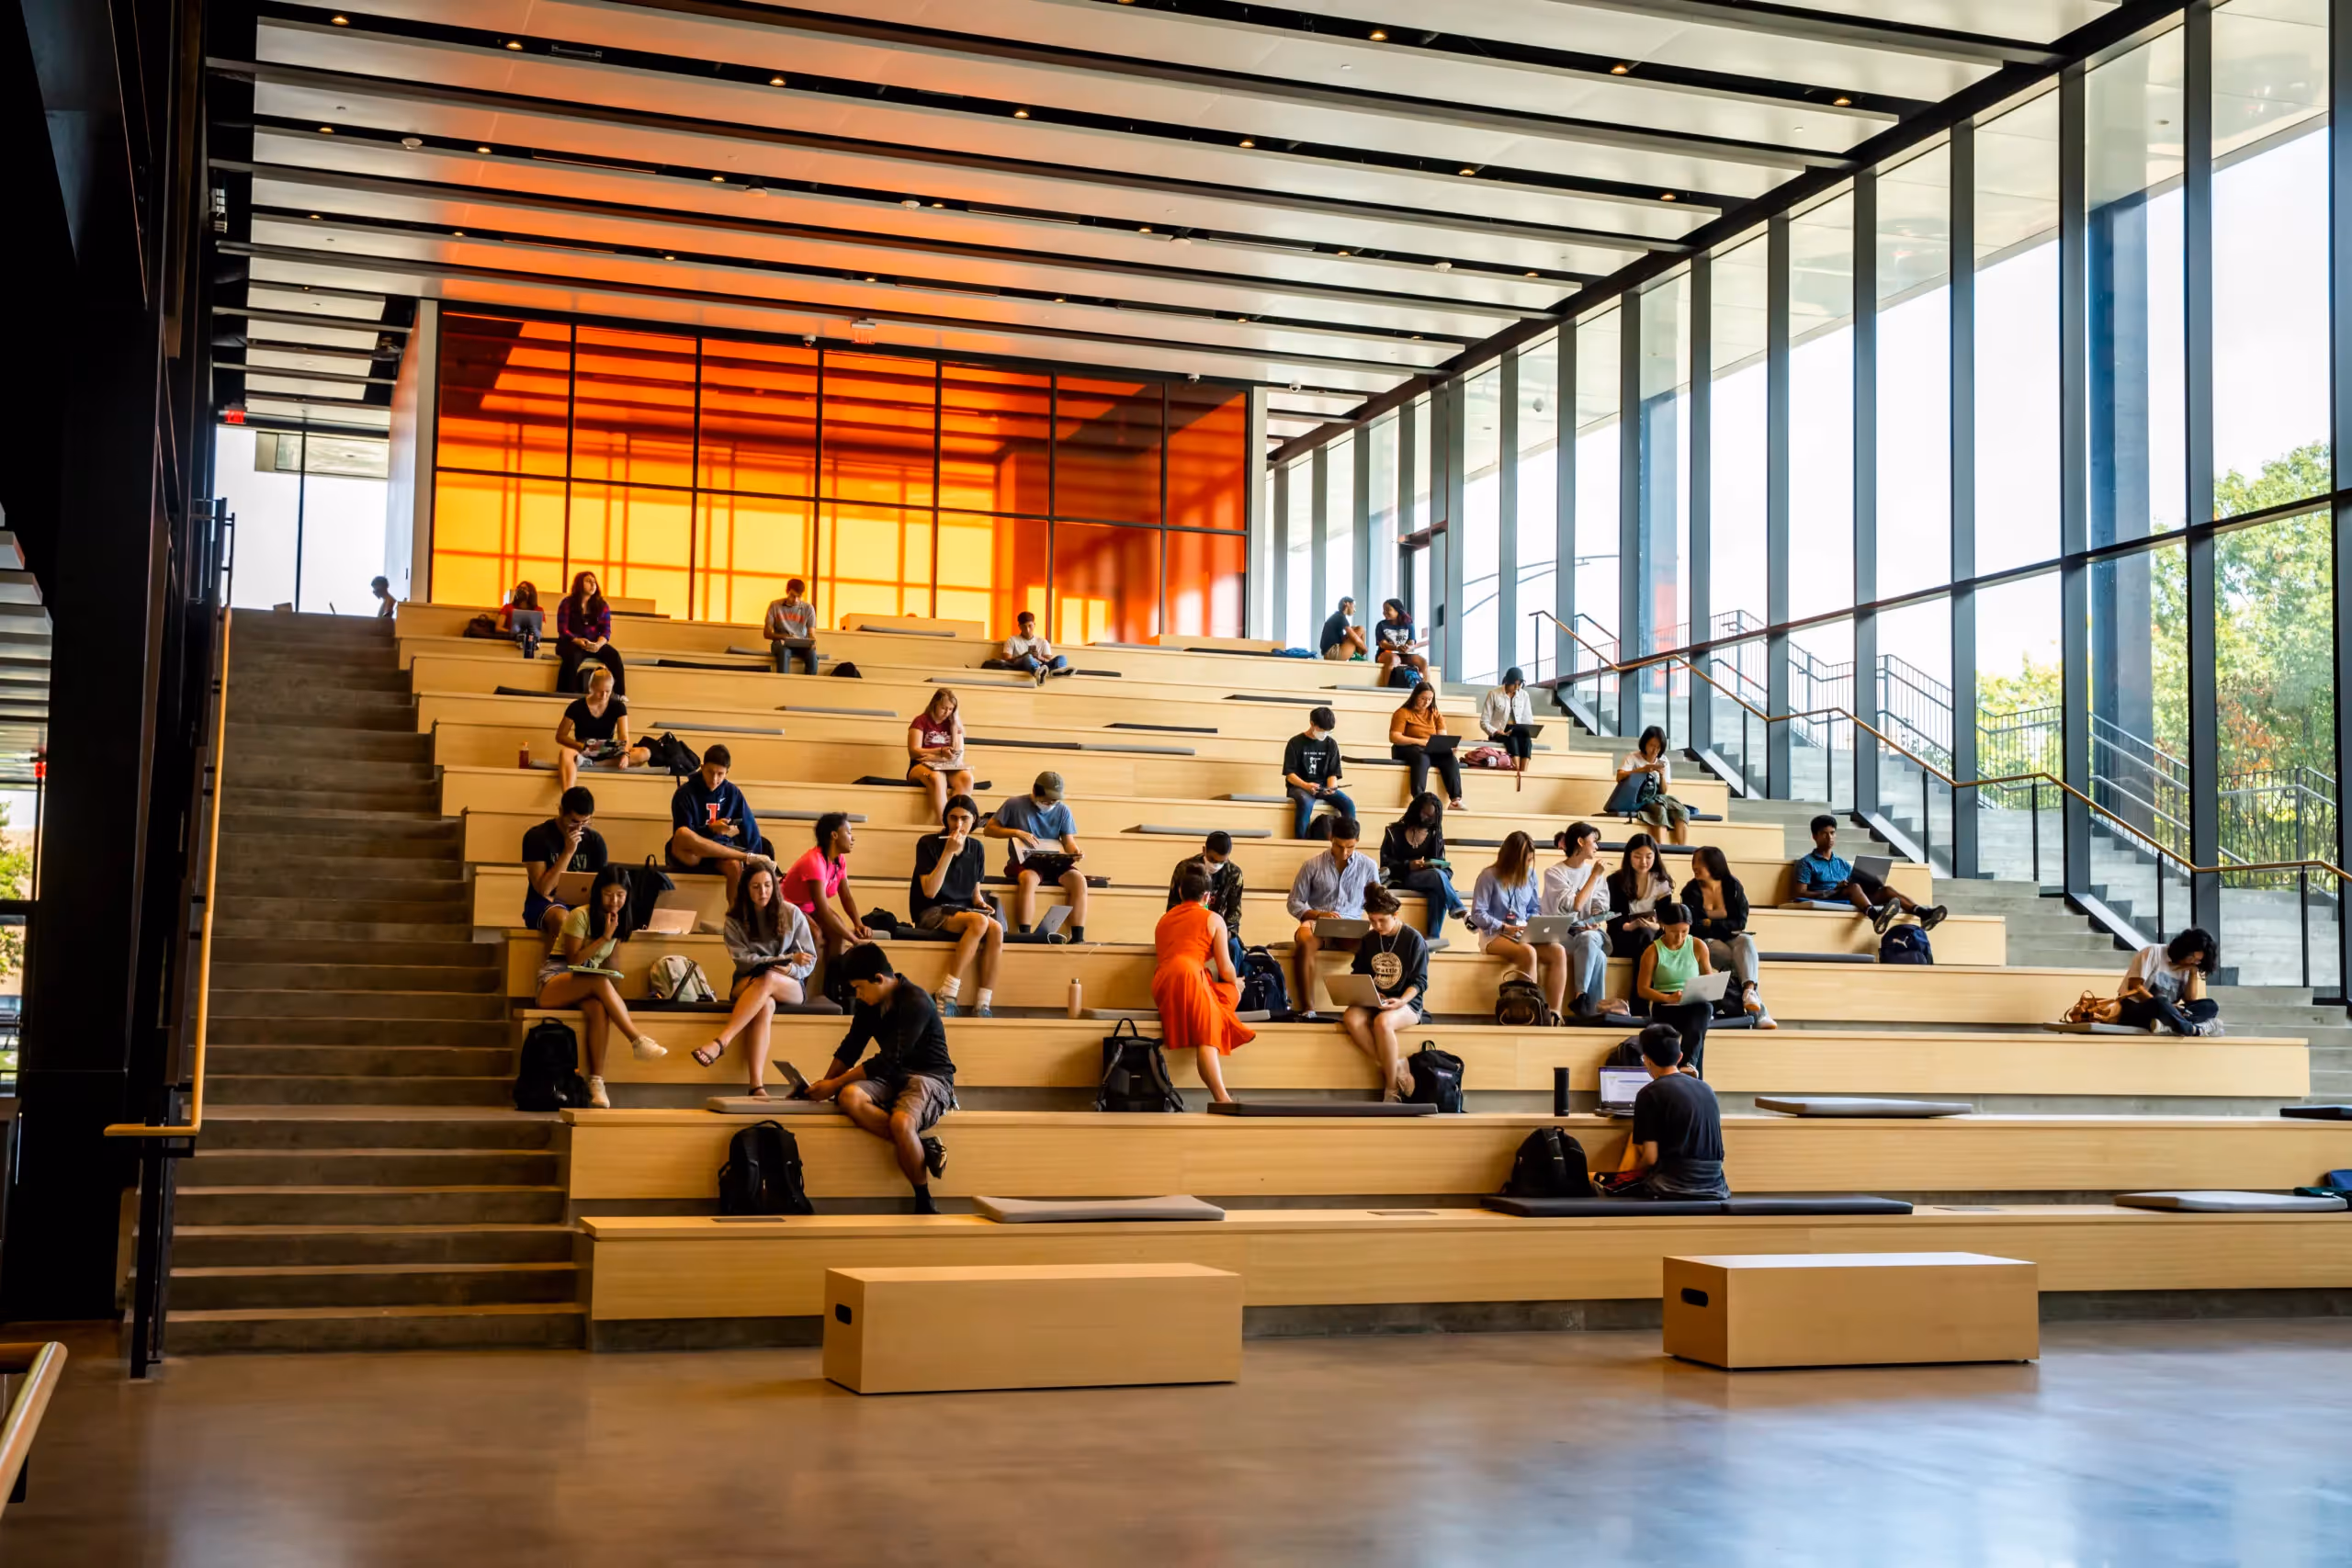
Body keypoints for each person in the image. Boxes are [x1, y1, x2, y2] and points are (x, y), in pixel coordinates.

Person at [797, 944, 955, 1213]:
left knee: (902, 1123)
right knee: (848, 1097)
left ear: (879, 979)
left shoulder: (915, 1001)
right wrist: (822, 1087)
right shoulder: (869, 1003)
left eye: (859, 988)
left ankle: (924, 1199)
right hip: (893, 1075)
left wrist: (834, 1084)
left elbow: (889, 1058)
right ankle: (922, 1148)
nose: (858, 995)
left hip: (930, 1076)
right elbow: (852, 1047)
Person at [531, 863, 667, 1109]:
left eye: (620, 895)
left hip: (588, 981)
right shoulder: (580, 915)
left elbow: (610, 963)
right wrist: (604, 937)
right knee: (598, 979)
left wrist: (613, 999)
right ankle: (637, 1040)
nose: (614, 901)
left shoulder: (621, 920)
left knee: (599, 1009)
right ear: (598, 893)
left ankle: (597, 1083)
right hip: (554, 980)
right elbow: (573, 960)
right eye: (608, 894)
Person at [691, 860, 819, 1094]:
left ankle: (721, 1043)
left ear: (775, 886)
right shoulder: (734, 919)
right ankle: (756, 1086)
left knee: (770, 979)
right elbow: (744, 961)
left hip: (789, 983)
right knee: (766, 1002)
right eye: (756, 887)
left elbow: (809, 960)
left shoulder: (792, 913)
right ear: (746, 889)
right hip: (747, 981)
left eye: (768, 885)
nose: (763, 892)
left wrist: (788, 969)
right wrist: (782, 960)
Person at [1152, 868, 1254, 1105]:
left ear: (1180, 891)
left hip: (1162, 979)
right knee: (1208, 1035)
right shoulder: (1213, 919)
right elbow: (1226, 967)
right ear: (1208, 897)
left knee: (1223, 995)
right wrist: (1237, 982)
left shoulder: (1164, 918)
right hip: (1189, 976)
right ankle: (1222, 1099)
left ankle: (1222, 1097)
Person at [1610, 1021, 1728, 1201]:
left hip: (1673, 1186)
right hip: (1715, 1185)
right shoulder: (1706, 1088)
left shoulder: (1649, 1093)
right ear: (1680, 1057)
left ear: (1646, 1059)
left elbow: (1650, 1158)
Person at [910, 794, 1002, 1018]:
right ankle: (947, 993)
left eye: (965, 819)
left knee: (996, 928)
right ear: (945, 818)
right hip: (932, 910)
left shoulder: (977, 848)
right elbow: (930, 891)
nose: (958, 824)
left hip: (964, 911)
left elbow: (975, 892)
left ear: (975, 821)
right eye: (953, 818)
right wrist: (949, 852)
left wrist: (981, 903)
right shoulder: (928, 843)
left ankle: (983, 1002)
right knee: (979, 922)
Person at [1339, 885, 1430, 1101]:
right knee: (1350, 1017)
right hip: (1376, 999)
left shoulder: (1413, 939)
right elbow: (1360, 972)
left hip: (1407, 1003)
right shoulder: (1370, 939)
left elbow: (1420, 982)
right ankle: (1396, 1065)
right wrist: (1372, 993)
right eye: (1372, 920)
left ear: (1396, 915)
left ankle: (1391, 1089)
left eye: (1382, 920)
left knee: (1383, 1022)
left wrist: (1400, 1001)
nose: (1377, 926)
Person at [1284, 816, 1380, 1021]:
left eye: (1350, 847)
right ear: (1331, 838)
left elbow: (1376, 902)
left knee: (1375, 945)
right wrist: (1319, 914)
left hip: (1351, 925)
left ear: (1357, 841)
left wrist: (1376, 923)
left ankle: (1370, 1004)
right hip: (1317, 921)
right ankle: (1308, 1008)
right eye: (1339, 846)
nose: (1344, 853)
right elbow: (1294, 902)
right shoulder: (1312, 865)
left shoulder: (1369, 866)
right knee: (1304, 940)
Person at [1470, 830, 1567, 1021]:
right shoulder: (1488, 876)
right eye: (1524, 860)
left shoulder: (1530, 875)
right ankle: (1527, 1013)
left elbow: (1533, 908)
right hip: (1495, 934)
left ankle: (1554, 1013)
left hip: (1522, 931)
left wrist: (1535, 924)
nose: (1527, 865)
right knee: (1528, 953)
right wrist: (1504, 927)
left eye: (1530, 860)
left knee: (1558, 952)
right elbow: (1477, 914)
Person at [1793, 815, 1947, 933]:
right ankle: (1875, 916)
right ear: (1815, 836)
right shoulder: (1806, 862)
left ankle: (1923, 913)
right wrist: (1831, 890)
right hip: (1829, 896)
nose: (1830, 837)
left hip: (1850, 895)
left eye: (1833, 833)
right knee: (1854, 887)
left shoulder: (1841, 863)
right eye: (1824, 834)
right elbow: (1800, 892)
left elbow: (1854, 883)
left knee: (1886, 890)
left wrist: (1871, 882)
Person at [985, 770, 1088, 942]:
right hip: (1025, 861)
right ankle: (1025, 933)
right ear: (1035, 791)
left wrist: (1075, 852)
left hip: (1054, 861)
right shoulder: (1014, 804)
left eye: (1054, 801)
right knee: (1029, 879)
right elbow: (989, 829)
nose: (1049, 804)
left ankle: (1077, 936)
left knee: (1079, 881)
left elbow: (1068, 841)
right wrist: (1017, 832)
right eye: (1046, 800)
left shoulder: (1063, 811)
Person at [1684, 844, 1774, 1029]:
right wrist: (1720, 923)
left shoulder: (1733, 886)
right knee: (1740, 963)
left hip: (1731, 939)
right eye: (1693, 862)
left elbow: (1740, 922)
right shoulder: (1690, 891)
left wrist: (1711, 922)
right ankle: (1760, 1013)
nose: (1694, 866)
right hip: (1705, 942)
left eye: (1699, 862)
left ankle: (1749, 991)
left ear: (1714, 863)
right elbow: (1696, 926)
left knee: (1746, 940)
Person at [666, 744, 771, 901]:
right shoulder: (685, 793)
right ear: (702, 768)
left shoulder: (732, 792)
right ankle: (746, 856)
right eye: (710, 772)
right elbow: (684, 838)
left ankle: (736, 919)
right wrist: (710, 830)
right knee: (683, 833)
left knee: (735, 866)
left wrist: (756, 859)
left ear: (727, 773)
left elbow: (749, 826)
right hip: (691, 854)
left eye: (720, 774)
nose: (715, 779)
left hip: (720, 850)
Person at [782, 812, 874, 968]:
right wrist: (854, 940)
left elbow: (846, 895)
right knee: (815, 935)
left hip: (809, 908)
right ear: (834, 835)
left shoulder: (839, 859)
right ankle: (803, 988)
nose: (853, 838)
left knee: (838, 933)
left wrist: (858, 924)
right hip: (788, 906)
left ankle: (832, 987)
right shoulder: (814, 862)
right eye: (849, 832)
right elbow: (823, 910)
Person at [1542, 822, 1612, 1018]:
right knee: (1598, 957)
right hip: (1562, 935)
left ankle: (1581, 995)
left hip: (1589, 933)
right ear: (1581, 842)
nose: (1597, 847)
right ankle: (1593, 1013)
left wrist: (1596, 918)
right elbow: (1573, 905)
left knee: (1589, 937)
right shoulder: (1554, 873)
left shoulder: (1595, 873)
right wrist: (1594, 875)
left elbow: (1600, 904)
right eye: (1594, 841)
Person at [1634, 902, 1713, 1076]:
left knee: (1704, 1009)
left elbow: (1709, 979)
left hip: (1692, 1000)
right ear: (1663, 926)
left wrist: (1702, 990)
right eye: (1673, 932)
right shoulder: (1652, 951)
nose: (1679, 937)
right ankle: (1688, 1067)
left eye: (1684, 932)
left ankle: (1687, 1064)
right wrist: (1667, 998)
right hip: (1665, 1003)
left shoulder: (1698, 946)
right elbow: (1642, 989)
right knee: (1696, 1028)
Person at [522, 786, 609, 937]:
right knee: (563, 919)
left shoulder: (595, 841)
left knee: (611, 919)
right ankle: (556, 961)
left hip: (582, 902)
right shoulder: (537, 836)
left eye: (586, 822)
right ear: (561, 811)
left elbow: (600, 884)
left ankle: (591, 960)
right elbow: (544, 889)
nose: (580, 828)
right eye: (574, 821)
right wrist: (568, 852)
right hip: (544, 903)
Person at [1378, 793, 1464, 942]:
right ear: (1415, 809)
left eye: (1431, 816)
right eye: (1424, 813)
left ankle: (1433, 939)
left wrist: (1431, 865)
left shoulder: (1434, 833)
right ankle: (1458, 909)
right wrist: (1409, 865)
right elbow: (1385, 866)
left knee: (1437, 887)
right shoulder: (1394, 832)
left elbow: (1441, 867)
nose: (1426, 819)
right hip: (1403, 878)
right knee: (1437, 878)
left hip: (1428, 878)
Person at [554, 665, 649, 790]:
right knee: (565, 753)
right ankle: (568, 796)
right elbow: (560, 736)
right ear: (591, 688)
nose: (604, 696)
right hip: (583, 748)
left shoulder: (618, 706)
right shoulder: (576, 706)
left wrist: (625, 755)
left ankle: (594, 764)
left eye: (608, 692)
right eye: (600, 691)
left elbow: (623, 736)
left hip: (606, 749)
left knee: (644, 753)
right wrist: (581, 746)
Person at [2116, 927, 2222, 1035]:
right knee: (2160, 1001)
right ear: (2183, 949)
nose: (2193, 962)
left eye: (2198, 961)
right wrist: (2167, 1007)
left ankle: (2168, 1026)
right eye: (2192, 957)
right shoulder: (2153, 952)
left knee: (2210, 1005)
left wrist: (2192, 973)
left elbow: (2190, 999)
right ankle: (2193, 1029)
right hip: (2136, 1009)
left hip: (2166, 1013)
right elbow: (2135, 987)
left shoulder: (2188, 966)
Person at [1169, 830, 1246, 976]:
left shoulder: (1234, 874)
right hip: (1188, 928)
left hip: (1219, 930)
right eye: (1212, 859)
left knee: (1234, 948)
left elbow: (1234, 913)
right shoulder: (1185, 869)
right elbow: (1172, 907)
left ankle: (1229, 992)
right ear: (1204, 850)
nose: (1216, 865)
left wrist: (1222, 935)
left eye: (1221, 861)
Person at [1281, 705, 1353, 839]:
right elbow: (1290, 775)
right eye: (1321, 730)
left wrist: (1331, 787)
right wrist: (1307, 786)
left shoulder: (1331, 744)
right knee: (1305, 803)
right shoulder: (1295, 742)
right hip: (1300, 787)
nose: (1324, 734)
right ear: (1312, 724)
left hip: (1323, 786)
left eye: (1328, 731)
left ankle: (1349, 839)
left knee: (1348, 804)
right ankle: (1301, 841)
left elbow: (1333, 772)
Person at [1389, 681, 1464, 809]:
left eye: (1430, 699)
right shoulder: (1402, 712)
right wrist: (1420, 742)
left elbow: (1442, 736)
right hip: (1407, 748)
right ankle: (1419, 799)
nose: (1426, 702)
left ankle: (1455, 800)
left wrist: (1448, 748)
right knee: (1422, 757)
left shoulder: (1434, 713)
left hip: (1429, 748)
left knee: (1450, 759)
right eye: (1423, 699)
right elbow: (1394, 737)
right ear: (1415, 696)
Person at [1606, 833, 1678, 958]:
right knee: (1643, 934)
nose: (1644, 862)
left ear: (1655, 856)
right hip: (1623, 934)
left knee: (1648, 935)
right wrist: (1630, 925)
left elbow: (1665, 919)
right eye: (1637, 857)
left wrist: (1654, 926)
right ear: (1629, 857)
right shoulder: (1615, 880)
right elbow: (1612, 916)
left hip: (1653, 932)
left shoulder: (1661, 881)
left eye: (1649, 857)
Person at [556, 570, 625, 695]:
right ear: (579, 584)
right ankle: (566, 694)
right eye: (588, 581)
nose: (593, 585)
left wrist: (598, 644)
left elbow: (606, 631)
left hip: (594, 644)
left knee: (614, 656)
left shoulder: (602, 605)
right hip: (572, 643)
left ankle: (620, 694)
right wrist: (577, 640)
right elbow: (562, 629)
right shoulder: (567, 603)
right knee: (572, 657)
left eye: (594, 582)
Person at [906, 688, 973, 818]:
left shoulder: (953, 723)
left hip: (946, 765)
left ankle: (957, 819)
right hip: (921, 765)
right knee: (937, 777)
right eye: (943, 708)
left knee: (967, 778)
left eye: (950, 709)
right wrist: (940, 751)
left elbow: (957, 755)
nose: (947, 713)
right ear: (934, 704)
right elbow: (914, 751)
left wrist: (938, 758)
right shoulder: (921, 721)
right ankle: (943, 822)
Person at [1617, 726, 1690, 845]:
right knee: (1660, 809)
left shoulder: (1664, 761)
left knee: (1680, 809)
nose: (1655, 750)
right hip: (1639, 797)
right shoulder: (1633, 757)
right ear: (1644, 743)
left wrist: (1661, 776)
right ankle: (1661, 846)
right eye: (1652, 745)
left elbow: (1664, 791)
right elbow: (1619, 776)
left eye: (1658, 747)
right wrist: (1642, 770)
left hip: (1658, 796)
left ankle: (1683, 849)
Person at [1480, 667, 1535, 767]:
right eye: (1515, 684)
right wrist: (1496, 731)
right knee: (1512, 739)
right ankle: (1516, 773)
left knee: (1527, 741)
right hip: (1500, 732)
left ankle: (1523, 775)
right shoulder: (1493, 694)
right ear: (1508, 682)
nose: (1517, 687)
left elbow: (1528, 719)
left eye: (1519, 685)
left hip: (1518, 730)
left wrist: (1528, 730)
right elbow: (1484, 722)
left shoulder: (1524, 695)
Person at [994, 610, 1069, 682]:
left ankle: (1058, 671)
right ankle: (1037, 671)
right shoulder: (1012, 640)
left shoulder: (1043, 641)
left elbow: (1048, 660)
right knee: (1028, 657)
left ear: (1034, 625)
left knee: (1062, 657)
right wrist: (1024, 655)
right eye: (1024, 626)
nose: (1027, 629)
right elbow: (1007, 659)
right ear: (1019, 627)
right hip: (1023, 665)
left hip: (1042, 666)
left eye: (1030, 626)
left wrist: (1038, 657)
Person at [763, 578, 818, 675]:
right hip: (781, 643)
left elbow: (811, 634)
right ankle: (783, 684)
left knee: (812, 654)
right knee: (784, 652)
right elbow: (766, 634)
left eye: (799, 596)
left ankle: (810, 685)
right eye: (792, 596)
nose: (796, 600)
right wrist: (785, 637)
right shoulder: (775, 606)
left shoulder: (808, 608)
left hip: (801, 644)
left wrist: (812, 642)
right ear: (787, 591)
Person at [1373, 599, 1428, 684]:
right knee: (1394, 659)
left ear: (1397, 610)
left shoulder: (1409, 625)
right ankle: (1386, 687)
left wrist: (1407, 648)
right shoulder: (1381, 625)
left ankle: (1425, 688)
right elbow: (1383, 644)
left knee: (1423, 662)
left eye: (1388, 609)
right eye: (1384, 610)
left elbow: (1411, 643)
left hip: (1405, 654)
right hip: (1385, 654)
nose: (1384, 612)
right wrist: (1397, 647)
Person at [500, 581, 542, 657]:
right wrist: (512, 631)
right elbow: (498, 627)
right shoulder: (508, 607)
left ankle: (532, 644)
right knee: (519, 632)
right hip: (512, 638)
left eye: (525, 589)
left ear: (531, 593)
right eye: (520, 588)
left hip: (531, 636)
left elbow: (541, 628)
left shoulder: (538, 610)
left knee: (533, 632)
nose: (521, 591)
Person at [1319, 596, 1367, 661]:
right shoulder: (1340, 617)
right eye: (1354, 606)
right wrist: (1365, 649)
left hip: (1330, 653)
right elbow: (1354, 638)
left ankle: (1356, 656)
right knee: (1360, 629)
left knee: (1353, 628)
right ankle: (1357, 657)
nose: (1355, 610)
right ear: (1347, 603)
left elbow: (1344, 638)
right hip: (1333, 653)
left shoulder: (1337, 616)